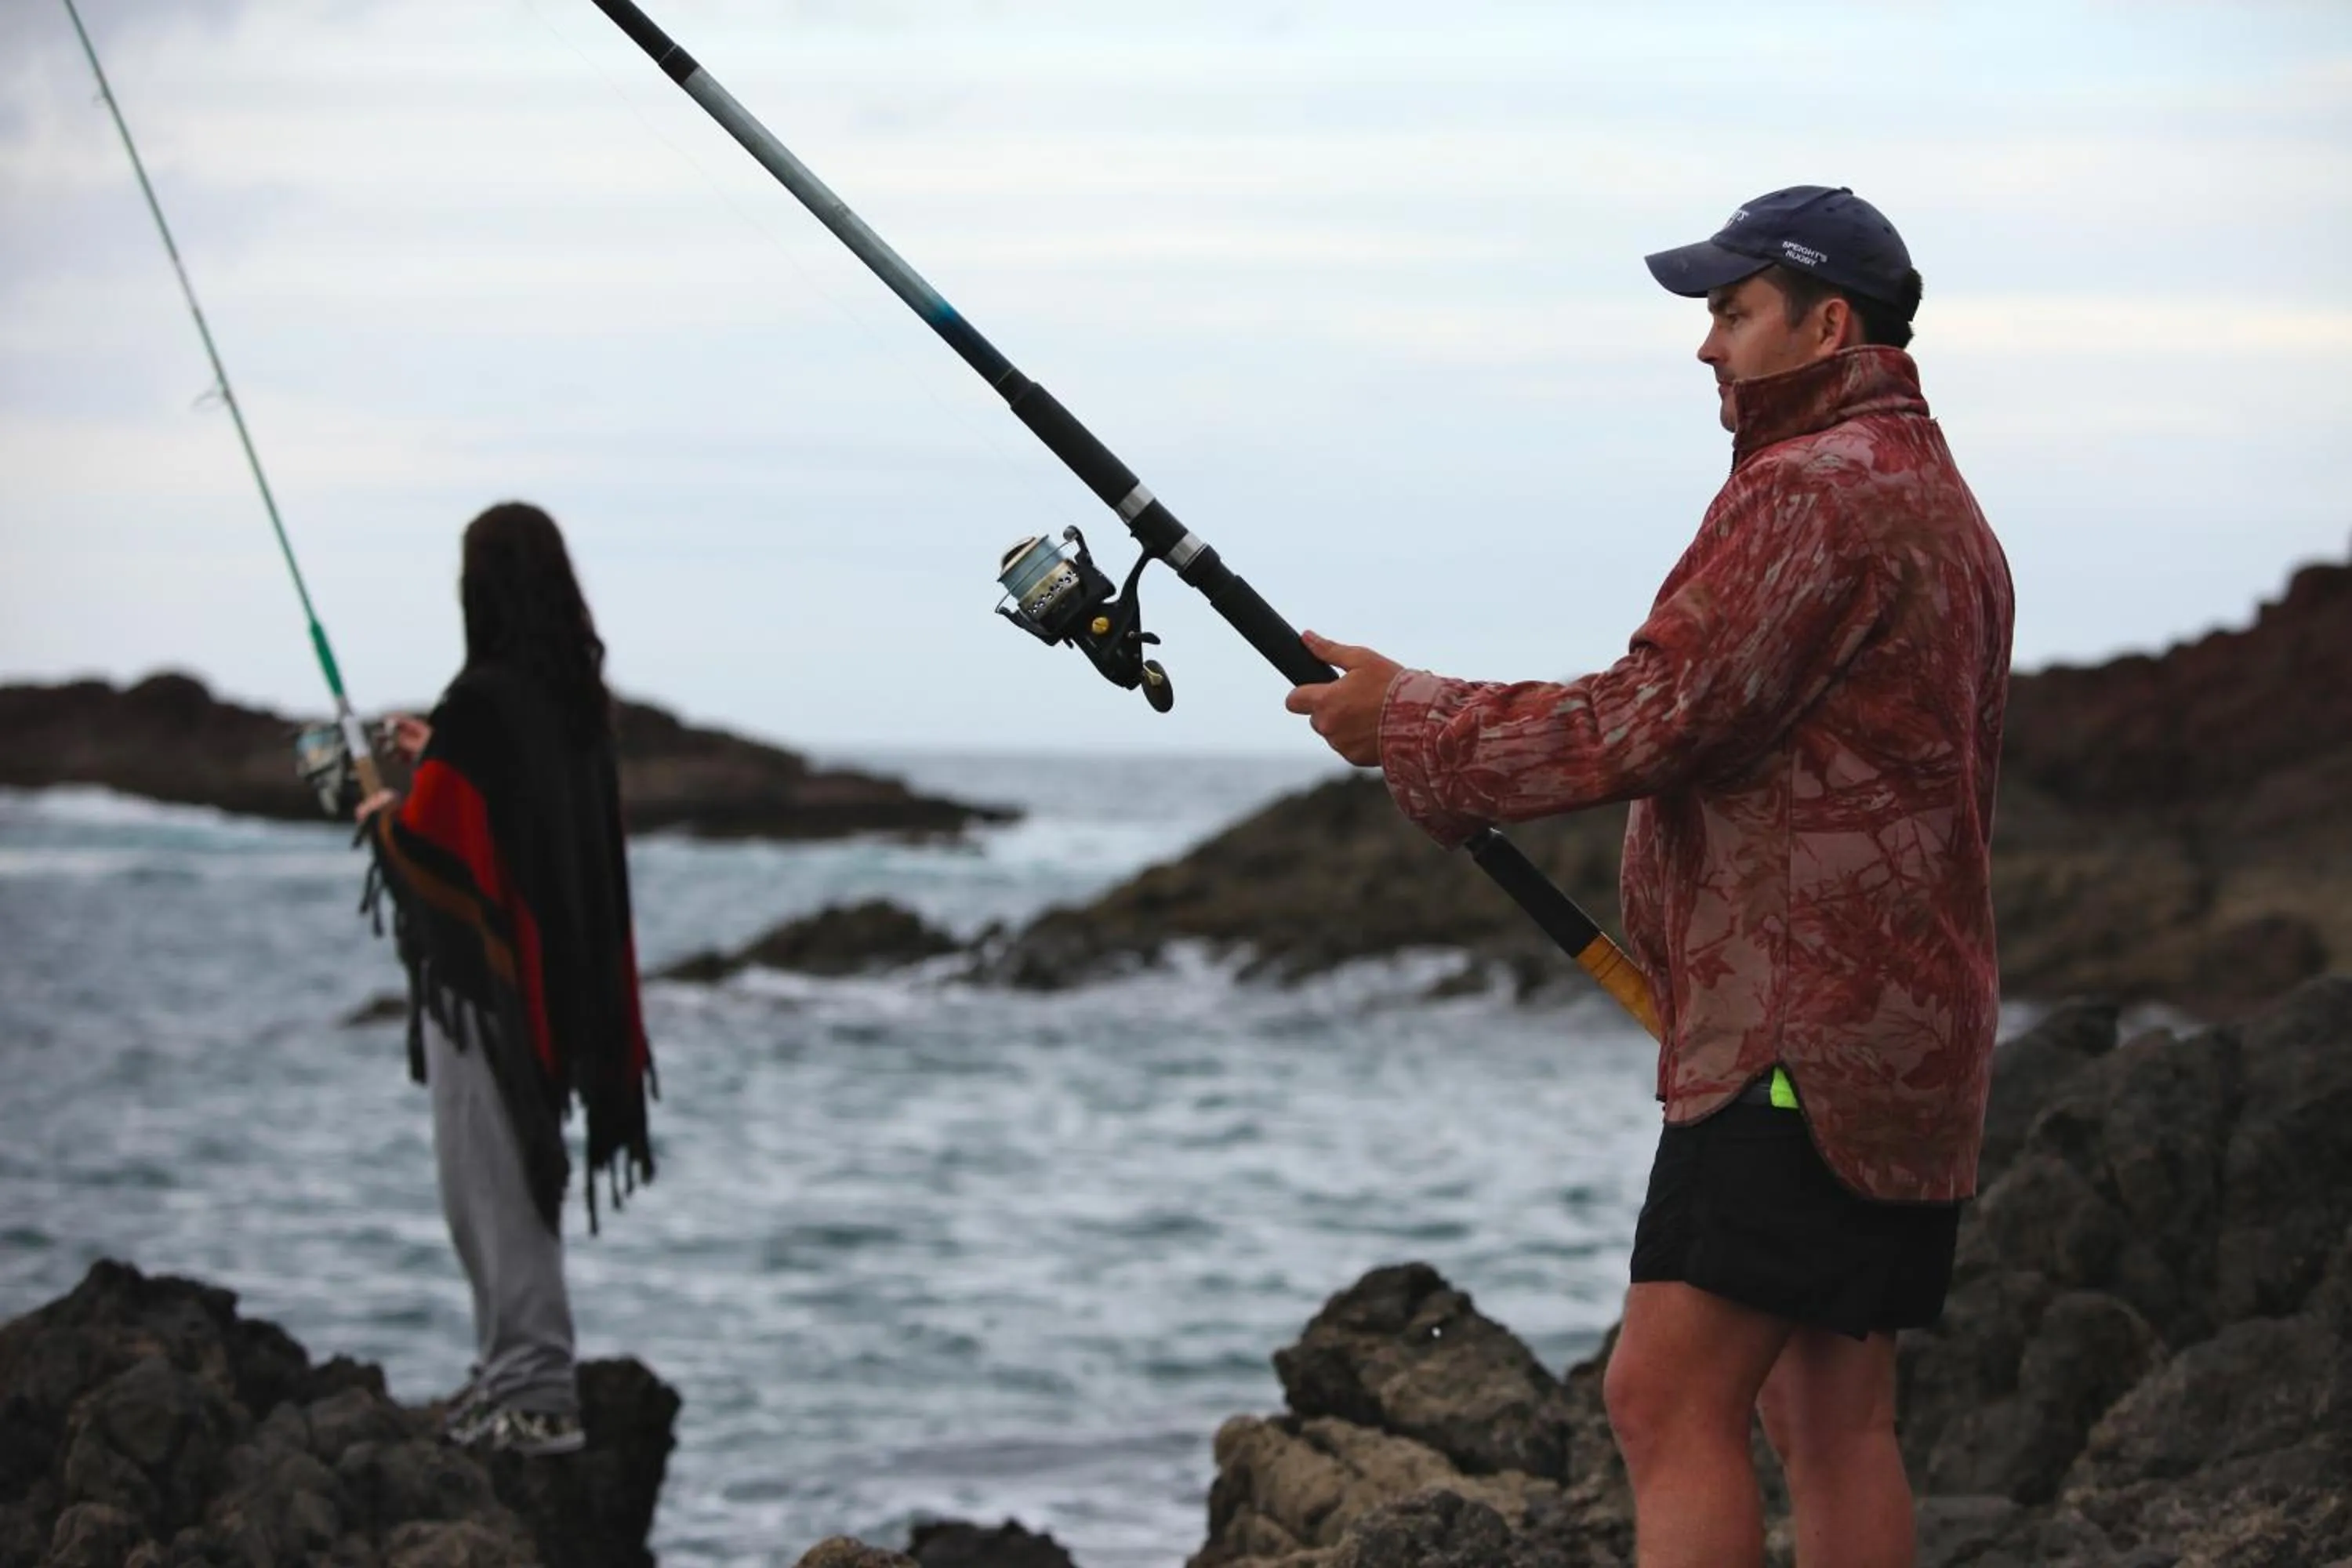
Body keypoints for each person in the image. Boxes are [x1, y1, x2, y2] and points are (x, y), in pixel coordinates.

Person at [1283, 186, 2013, 1566]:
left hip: (1797, 1048)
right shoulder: (1940, 503)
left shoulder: (1811, 492)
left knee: (1664, 1397)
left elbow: (1655, 716)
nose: (1707, 344)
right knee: (1832, 1416)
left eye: (1734, 312)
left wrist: (1412, 721)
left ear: (1828, 325)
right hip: (1907, 1038)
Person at [357, 500, 658, 1458]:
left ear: (479, 586)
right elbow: (522, 811)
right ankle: (509, 1375)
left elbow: (437, 841)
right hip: (560, 979)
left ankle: (534, 1392)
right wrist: (433, 753)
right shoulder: (570, 699)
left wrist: (378, 815)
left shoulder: (483, 702)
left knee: (486, 1180)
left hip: (491, 992)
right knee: (509, 1173)